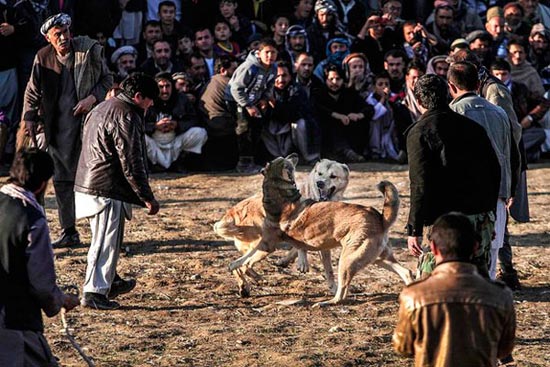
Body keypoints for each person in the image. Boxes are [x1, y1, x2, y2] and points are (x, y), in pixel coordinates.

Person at [21, 13, 113, 248]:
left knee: (93, 181)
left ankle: (101, 234)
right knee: (62, 182)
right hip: (57, 128)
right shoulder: (42, 58)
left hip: (87, 126)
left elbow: (106, 80)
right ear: (48, 39)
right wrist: (29, 117)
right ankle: (69, 230)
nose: (63, 38)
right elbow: (32, 91)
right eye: (57, 35)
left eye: (65, 32)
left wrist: (91, 99)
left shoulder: (88, 50)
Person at [74, 73, 160, 310]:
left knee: (106, 239)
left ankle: (109, 280)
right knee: (104, 241)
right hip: (106, 186)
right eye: (149, 100)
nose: (151, 105)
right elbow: (131, 161)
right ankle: (94, 291)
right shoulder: (126, 114)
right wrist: (147, 197)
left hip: (90, 181)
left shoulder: (103, 106)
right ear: (138, 96)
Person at [406, 74, 501, 279]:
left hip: (444, 222)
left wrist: (414, 229)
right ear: (449, 94)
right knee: (478, 280)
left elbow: (420, 184)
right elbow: (494, 171)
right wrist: (491, 217)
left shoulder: (419, 132)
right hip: (480, 215)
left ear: (419, 101)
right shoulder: (473, 128)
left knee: (432, 284)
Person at [394, 212, 516, 367]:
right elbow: (504, 349)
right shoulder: (500, 295)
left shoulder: (414, 295)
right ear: (476, 247)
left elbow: (403, 347)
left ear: (434, 248)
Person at [0, 148, 80, 366]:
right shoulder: (31, 219)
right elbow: (42, 283)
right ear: (43, 184)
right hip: (13, 321)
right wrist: (60, 300)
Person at [448, 61, 518, 281]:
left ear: (451, 86)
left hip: (463, 193)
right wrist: (509, 190)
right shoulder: (499, 112)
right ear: (479, 84)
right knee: (492, 248)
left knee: (463, 248)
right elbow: (510, 153)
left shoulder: (452, 112)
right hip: (496, 191)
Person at [226, 38, 278, 173]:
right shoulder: (249, 67)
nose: (270, 56)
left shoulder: (273, 68)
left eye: (273, 52)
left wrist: (266, 98)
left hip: (254, 100)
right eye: (266, 52)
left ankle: (252, 160)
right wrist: (248, 106)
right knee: (244, 128)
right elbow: (236, 88)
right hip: (237, 100)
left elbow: (270, 84)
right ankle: (243, 163)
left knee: (257, 128)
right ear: (259, 53)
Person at [144, 72, 207, 173]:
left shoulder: (182, 99)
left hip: (175, 141)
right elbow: (138, 124)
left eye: (167, 86)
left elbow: (193, 119)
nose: (165, 91)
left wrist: (177, 125)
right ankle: (154, 165)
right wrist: (155, 126)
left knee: (200, 133)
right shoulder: (147, 100)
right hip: (154, 142)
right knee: (139, 137)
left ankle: (180, 162)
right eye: (161, 87)